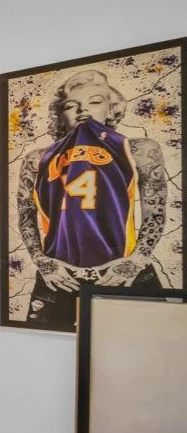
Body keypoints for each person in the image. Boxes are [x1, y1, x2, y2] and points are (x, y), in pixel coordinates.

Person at [16, 69, 168, 329]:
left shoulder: (139, 149)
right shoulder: (36, 158)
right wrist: (42, 261)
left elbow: (155, 212)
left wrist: (136, 260)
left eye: (94, 102)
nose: (82, 110)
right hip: (60, 276)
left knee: (150, 352)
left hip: (121, 273)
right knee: (42, 348)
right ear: (61, 115)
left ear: (111, 108)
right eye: (71, 106)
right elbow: (26, 214)